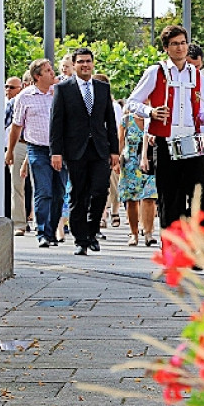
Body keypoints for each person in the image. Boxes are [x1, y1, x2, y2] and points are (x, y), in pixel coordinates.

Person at [125, 25, 204, 237]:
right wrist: (151, 111)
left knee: (197, 199)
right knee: (169, 200)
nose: (180, 48)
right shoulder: (156, 72)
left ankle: (194, 250)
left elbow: (199, 109)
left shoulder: (196, 74)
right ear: (166, 47)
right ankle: (172, 254)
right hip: (166, 143)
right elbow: (131, 103)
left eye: (183, 43)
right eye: (174, 44)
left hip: (192, 143)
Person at [49, 48, 120, 256]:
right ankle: (81, 239)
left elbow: (110, 122)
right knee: (78, 194)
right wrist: (56, 152)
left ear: (93, 64)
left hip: (99, 149)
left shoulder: (103, 88)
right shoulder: (63, 89)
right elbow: (56, 123)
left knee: (100, 191)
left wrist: (114, 150)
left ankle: (92, 230)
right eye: (80, 62)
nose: (85, 65)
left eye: (88, 62)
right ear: (74, 65)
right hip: (75, 150)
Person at [6, 58, 64, 248]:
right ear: (37, 76)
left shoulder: (60, 93)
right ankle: (43, 233)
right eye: (47, 71)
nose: (52, 73)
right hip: (37, 148)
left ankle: (52, 230)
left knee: (59, 193)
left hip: (60, 150)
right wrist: (11, 151)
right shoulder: (25, 97)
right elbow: (16, 126)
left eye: (51, 69)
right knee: (43, 191)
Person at [118, 104, 159, 247]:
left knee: (149, 197)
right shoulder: (126, 120)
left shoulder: (154, 120)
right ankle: (134, 233)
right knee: (131, 200)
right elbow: (121, 142)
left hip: (149, 162)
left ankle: (148, 233)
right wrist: (116, 161)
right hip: (130, 164)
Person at [93, 73, 122, 231]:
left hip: (109, 147)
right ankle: (102, 215)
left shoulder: (114, 106)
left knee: (114, 184)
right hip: (95, 148)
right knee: (100, 185)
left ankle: (115, 211)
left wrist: (116, 151)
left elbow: (116, 128)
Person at [4, 76, 29, 235]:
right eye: (6, 86)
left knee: (42, 186)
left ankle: (45, 225)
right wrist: (9, 149)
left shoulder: (50, 97)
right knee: (17, 185)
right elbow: (8, 125)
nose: (8, 90)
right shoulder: (14, 103)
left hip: (39, 144)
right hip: (20, 143)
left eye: (12, 87)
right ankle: (19, 222)